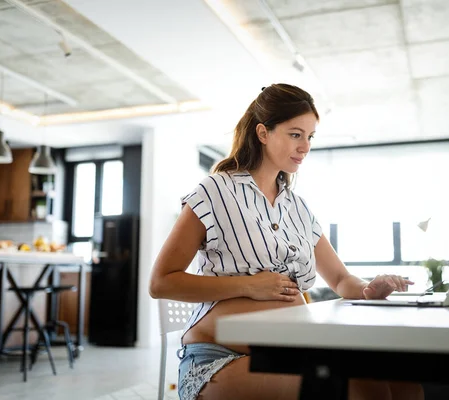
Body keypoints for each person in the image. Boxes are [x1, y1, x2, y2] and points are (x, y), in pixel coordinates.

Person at [149, 83, 424, 400]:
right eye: (295, 134)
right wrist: (248, 286)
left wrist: (369, 288)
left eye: (309, 136)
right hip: (219, 358)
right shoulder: (216, 190)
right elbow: (161, 283)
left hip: (289, 351)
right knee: (360, 391)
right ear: (263, 133)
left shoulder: (298, 207)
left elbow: (340, 278)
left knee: (404, 384)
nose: (305, 146)